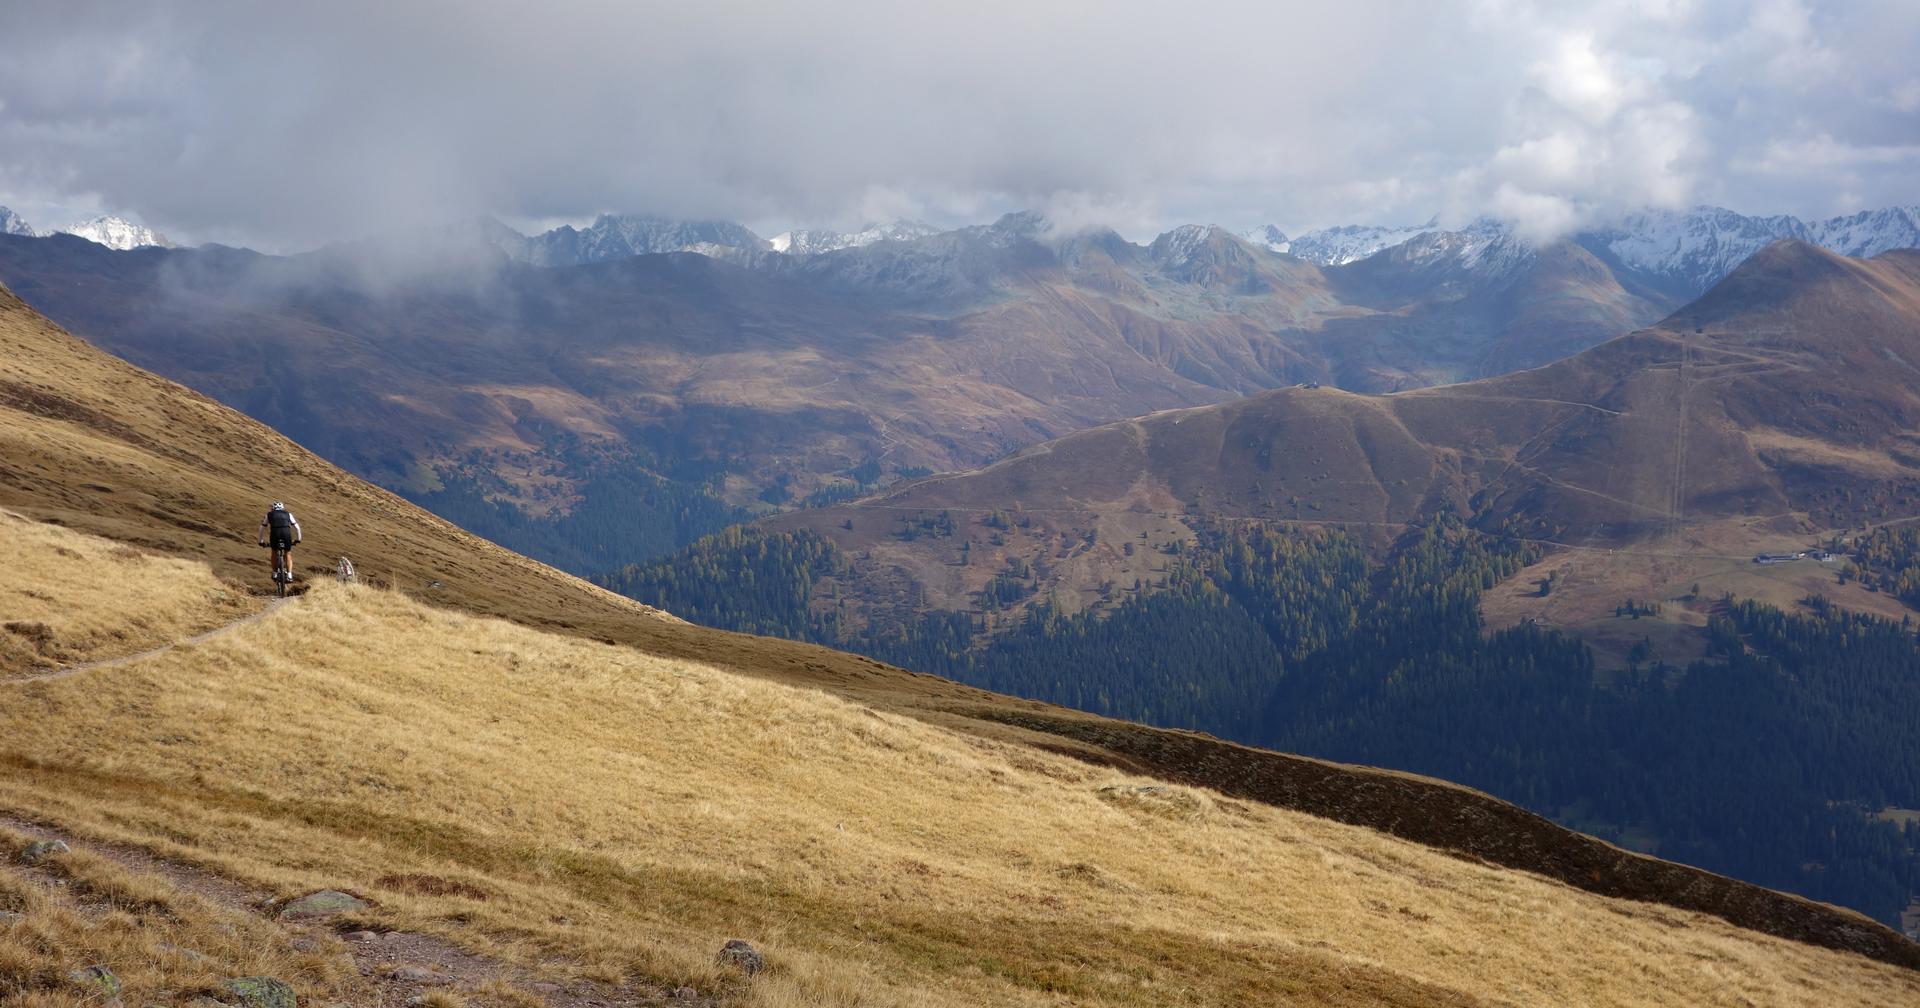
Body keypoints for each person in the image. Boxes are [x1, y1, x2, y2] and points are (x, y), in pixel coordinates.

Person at [257, 501, 302, 583]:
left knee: (274, 552)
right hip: (286, 534)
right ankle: (289, 575)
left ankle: (274, 573)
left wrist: (261, 541)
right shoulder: (288, 514)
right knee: (287, 553)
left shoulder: (269, 514)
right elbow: (297, 527)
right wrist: (298, 539)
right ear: (283, 508)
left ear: (273, 508)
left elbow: (262, 528)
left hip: (275, 534)